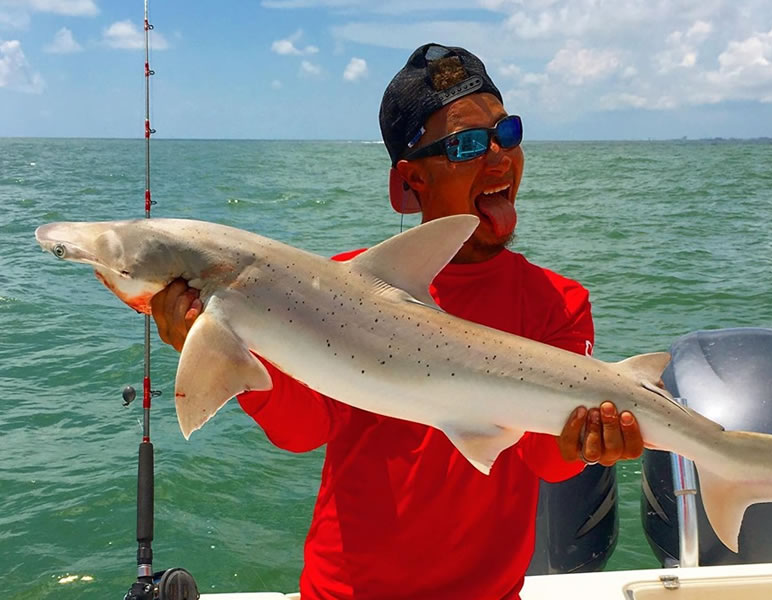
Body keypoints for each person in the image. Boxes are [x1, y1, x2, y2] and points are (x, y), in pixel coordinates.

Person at [152, 43, 644, 600]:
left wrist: (586, 444)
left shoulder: (558, 301)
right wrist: (218, 346)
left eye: (507, 134)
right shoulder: (336, 287)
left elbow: (540, 460)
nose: (500, 159)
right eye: (467, 145)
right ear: (411, 181)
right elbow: (304, 430)